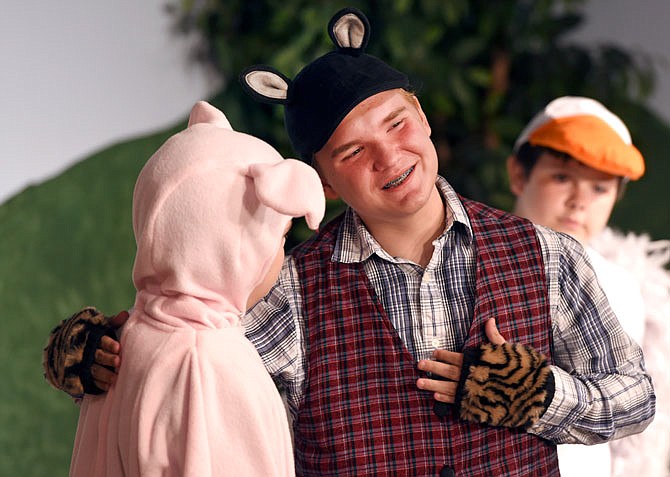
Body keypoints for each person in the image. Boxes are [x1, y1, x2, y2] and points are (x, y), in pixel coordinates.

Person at [43, 7, 655, 476]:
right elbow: (186, 370)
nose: (392, 156)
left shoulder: (545, 255)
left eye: (397, 123)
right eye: (353, 150)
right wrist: (96, 358)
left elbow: (635, 400)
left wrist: (536, 394)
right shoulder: (290, 292)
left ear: (422, 116)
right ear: (325, 182)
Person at [44, 101, 326, 476]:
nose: (281, 256)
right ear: (238, 249)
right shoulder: (209, 365)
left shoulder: (126, 341)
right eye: (280, 239)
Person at [506, 96, 670, 477]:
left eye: (600, 188)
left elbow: (633, 434)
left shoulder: (623, 286)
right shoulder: (476, 258)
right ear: (518, 175)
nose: (580, 202)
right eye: (562, 178)